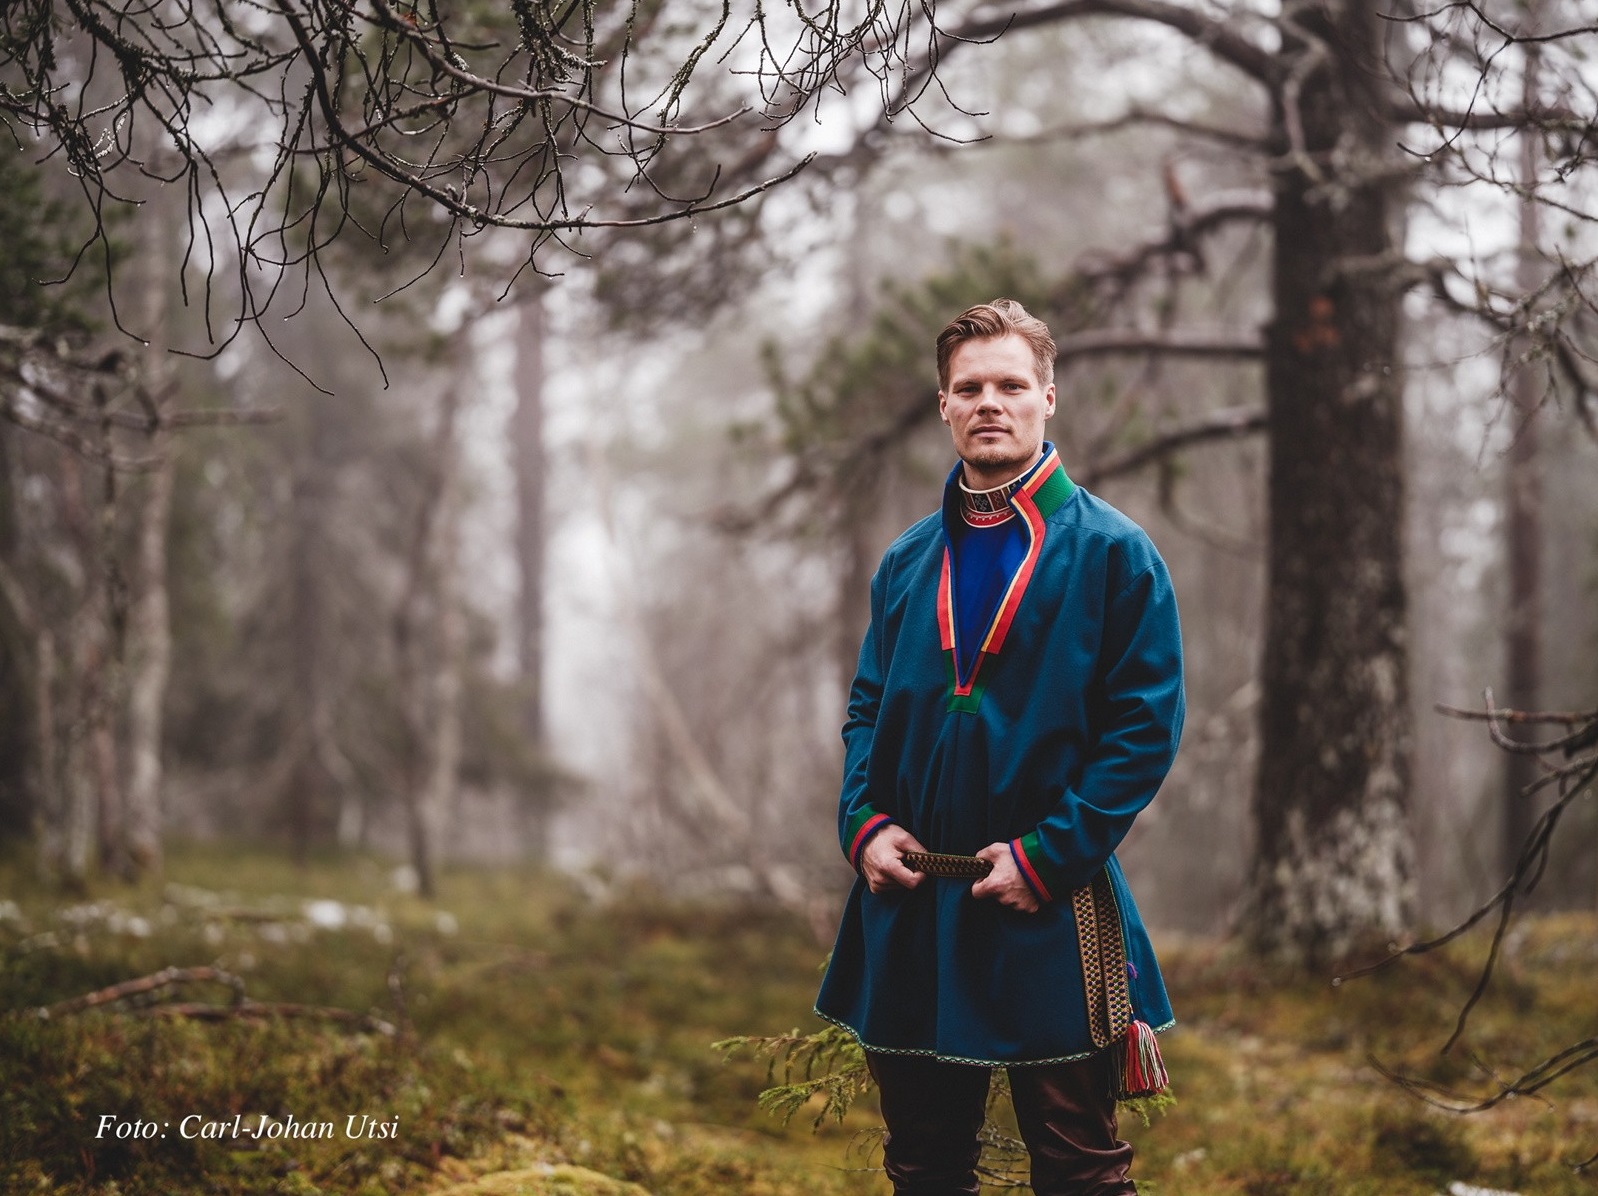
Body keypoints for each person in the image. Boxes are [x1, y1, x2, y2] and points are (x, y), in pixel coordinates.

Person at [814, 299, 1185, 1196]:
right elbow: (866, 708)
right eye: (968, 387)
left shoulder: (1114, 555)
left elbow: (1143, 733)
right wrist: (862, 824)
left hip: (1046, 907)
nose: (990, 402)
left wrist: (1046, 857)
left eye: (1011, 385)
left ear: (1047, 398)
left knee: (1080, 1172)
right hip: (912, 906)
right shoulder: (906, 562)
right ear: (943, 406)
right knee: (925, 1167)